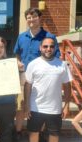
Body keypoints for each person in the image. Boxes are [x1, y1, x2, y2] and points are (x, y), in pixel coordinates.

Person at [13, 7, 61, 137]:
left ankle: (40, 133)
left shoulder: (49, 37)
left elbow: (57, 56)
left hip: (43, 77)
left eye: (34, 17)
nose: (31, 19)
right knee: (21, 105)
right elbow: (17, 54)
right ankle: (18, 132)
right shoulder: (22, 36)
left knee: (40, 105)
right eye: (28, 17)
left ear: (40, 18)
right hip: (24, 75)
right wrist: (17, 62)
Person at [24, 37, 72, 142]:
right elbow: (27, 85)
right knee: (33, 133)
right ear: (40, 48)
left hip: (54, 109)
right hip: (35, 107)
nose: (48, 49)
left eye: (51, 46)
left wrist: (67, 105)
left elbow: (67, 85)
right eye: (45, 46)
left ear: (55, 48)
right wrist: (27, 105)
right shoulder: (33, 64)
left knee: (54, 135)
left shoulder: (62, 65)